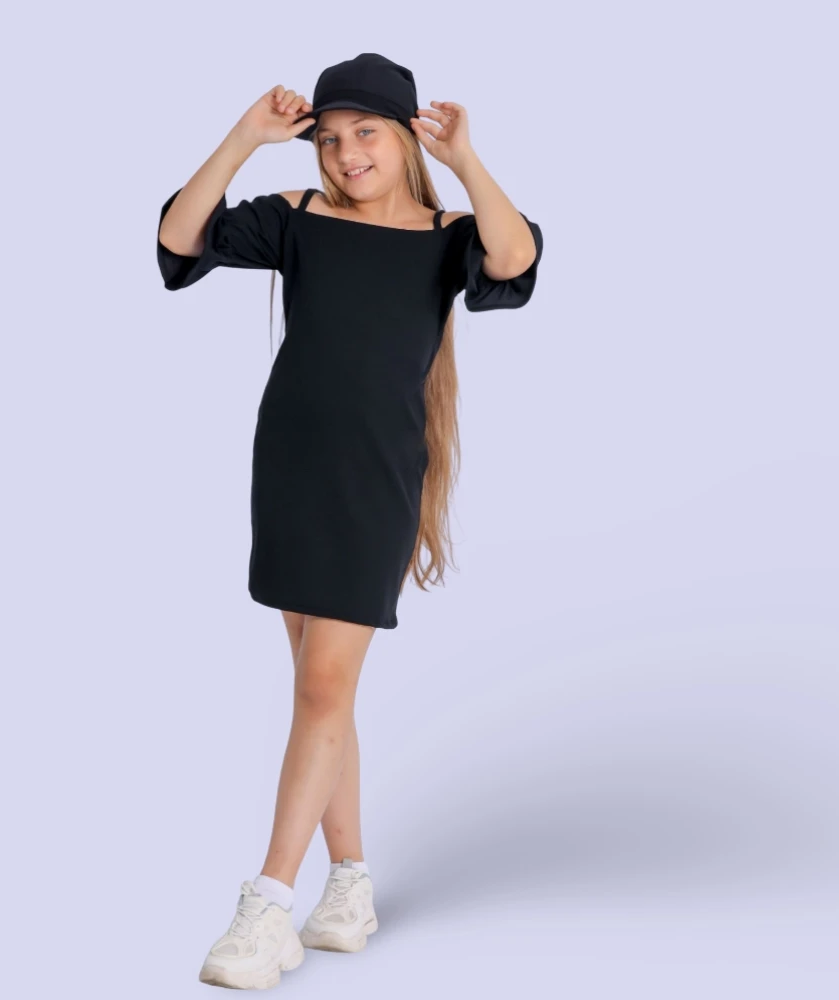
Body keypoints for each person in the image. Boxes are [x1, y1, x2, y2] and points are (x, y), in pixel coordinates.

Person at [156, 53, 543, 990]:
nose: (345, 153)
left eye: (366, 133)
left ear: (405, 139)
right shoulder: (298, 218)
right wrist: (246, 137)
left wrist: (466, 161)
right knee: (320, 692)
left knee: (323, 688)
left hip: (374, 483)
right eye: (328, 138)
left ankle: (268, 905)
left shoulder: (448, 235)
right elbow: (179, 239)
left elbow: (514, 260)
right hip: (291, 470)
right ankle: (352, 884)